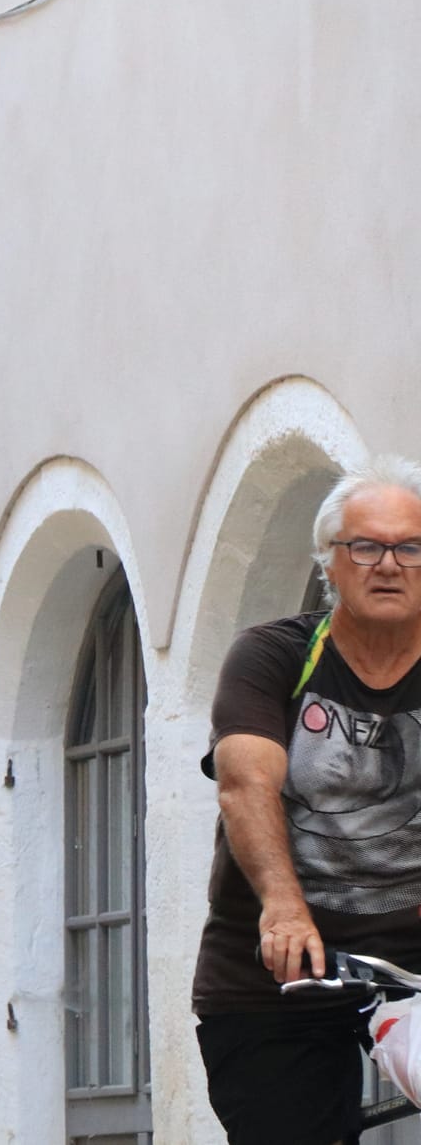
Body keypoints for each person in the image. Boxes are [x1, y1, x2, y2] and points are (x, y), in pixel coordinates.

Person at [195, 457, 421, 1145]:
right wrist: (283, 907)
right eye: (366, 546)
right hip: (279, 974)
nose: (389, 564)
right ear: (331, 560)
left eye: (410, 546)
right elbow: (245, 781)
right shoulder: (274, 656)